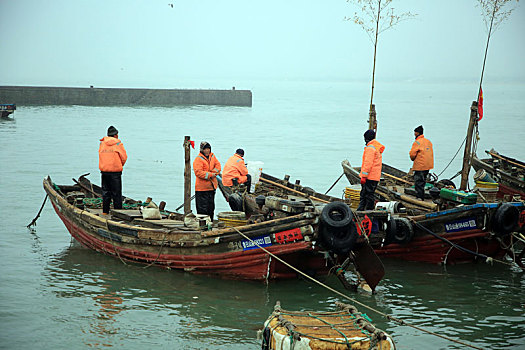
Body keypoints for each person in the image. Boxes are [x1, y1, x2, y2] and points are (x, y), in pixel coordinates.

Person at [99, 125, 127, 215]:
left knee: (106, 192)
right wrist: (119, 165)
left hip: (104, 171)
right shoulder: (118, 144)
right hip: (115, 172)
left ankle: (105, 212)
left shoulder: (102, 144)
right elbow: (124, 157)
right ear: (115, 135)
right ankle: (118, 213)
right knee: (116, 193)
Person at [357, 129, 385, 211]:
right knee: (370, 194)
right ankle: (367, 209)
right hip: (375, 176)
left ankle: (364, 211)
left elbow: (368, 164)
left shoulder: (370, 148)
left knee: (365, 194)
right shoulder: (376, 147)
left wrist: (364, 176)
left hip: (369, 176)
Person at [193, 141, 221, 220]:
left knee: (211, 208)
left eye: (208, 149)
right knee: (202, 210)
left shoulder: (212, 156)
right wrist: (211, 175)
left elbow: (218, 166)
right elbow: (198, 173)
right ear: (202, 150)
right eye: (205, 149)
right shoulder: (198, 160)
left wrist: (214, 172)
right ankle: (203, 226)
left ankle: (210, 223)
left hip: (211, 188)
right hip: (202, 189)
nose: (207, 151)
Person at [409, 125, 434, 200]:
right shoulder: (428, 141)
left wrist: (412, 159)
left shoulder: (417, 142)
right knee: (423, 181)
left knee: (418, 181)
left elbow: (412, 154)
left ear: (416, 133)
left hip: (420, 165)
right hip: (428, 165)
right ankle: (422, 195)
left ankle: (420, 197)